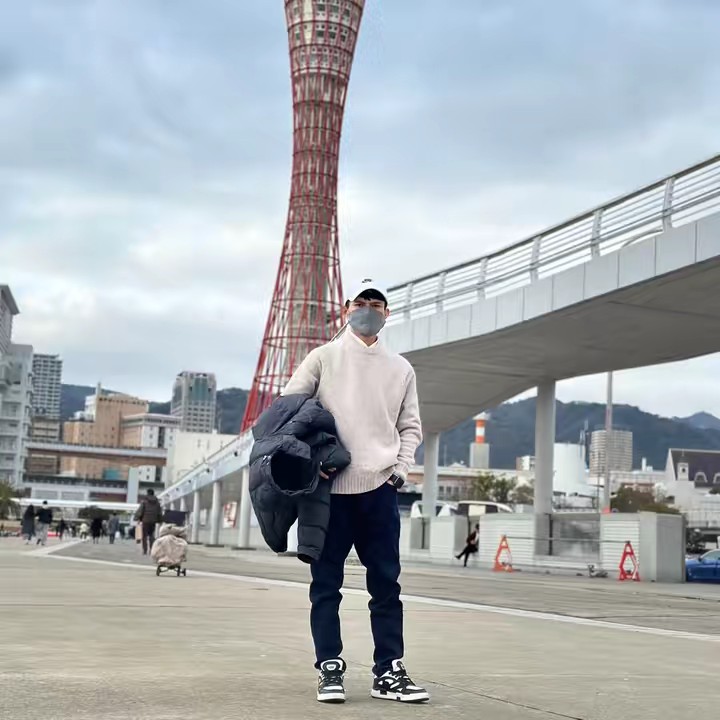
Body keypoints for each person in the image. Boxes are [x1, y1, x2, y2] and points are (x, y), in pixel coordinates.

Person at [283, 278, 429, 704]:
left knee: (386, 585)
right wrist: (311, 460)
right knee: (326, 586)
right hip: (328, 493)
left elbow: (410, 426)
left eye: (376, 304)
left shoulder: (400, 368)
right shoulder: (323, 357)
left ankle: (389, 671)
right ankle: (329, 667)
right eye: (361, 302)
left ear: (387, 313)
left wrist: (399, 470)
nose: (368, 309)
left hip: (379, 490)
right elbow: (288, 411)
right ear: (346, 308)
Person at [134, 488, 163, 555]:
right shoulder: (157, 503)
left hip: (145, 520)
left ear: (148, 493)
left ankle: (145, 550)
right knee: (151, 535)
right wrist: (160, 520)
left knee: (144, 536)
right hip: (153, 521)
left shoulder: (144, 501)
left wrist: (137, 518)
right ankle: (151, 549)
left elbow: (140, 510)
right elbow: (159, 512)